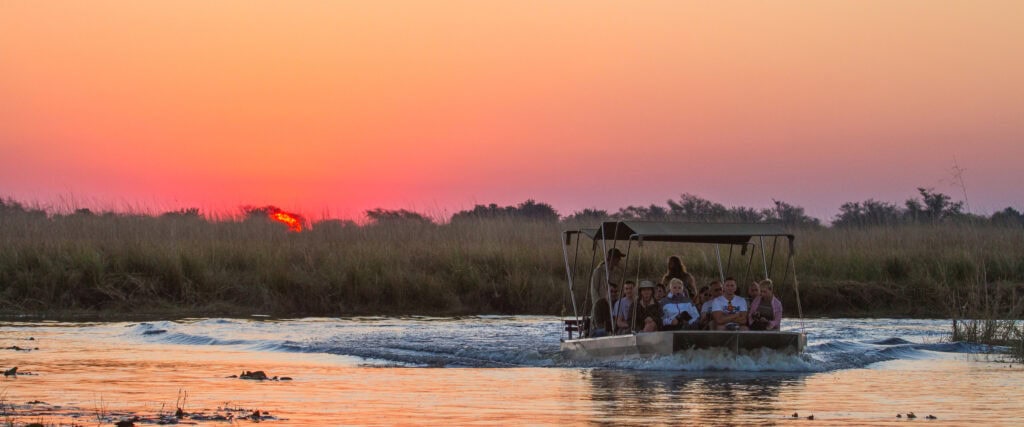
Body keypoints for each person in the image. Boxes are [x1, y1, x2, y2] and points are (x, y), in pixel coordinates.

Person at [590, 248, 625, 328]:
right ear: (612, 258)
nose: (619, 260)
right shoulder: (598, 271)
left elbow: (621, 290)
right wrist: (599, 305)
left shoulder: (619, 273)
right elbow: (594, 291)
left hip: (614, 307)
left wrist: (618, 304)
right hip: (600, 307)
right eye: (617, 258)